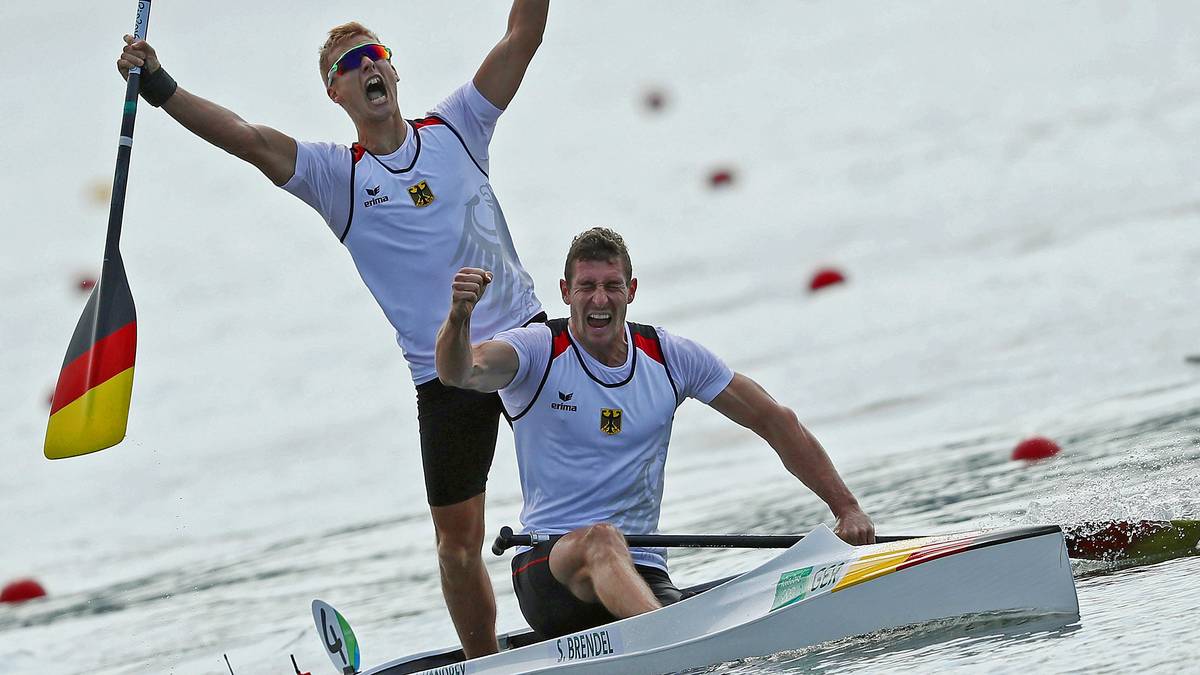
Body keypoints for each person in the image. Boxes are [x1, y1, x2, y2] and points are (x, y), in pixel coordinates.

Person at [116, 2, 551, 657]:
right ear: (335, 92)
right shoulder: (337, 176)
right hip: (444, 373)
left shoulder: (458, 125)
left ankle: (613, 603)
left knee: (577, 489)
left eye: (376, 54)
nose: (368, 65)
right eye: (350, 63)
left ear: (394, 71)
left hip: (527, 343)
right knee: (457, 546)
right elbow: (246, 138)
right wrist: (158, 85)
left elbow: (523, 36)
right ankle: (485, 664)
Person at [435, 227, 875, 638]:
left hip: (642, 568)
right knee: (602, 538)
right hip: (550, 572)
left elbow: (775, 420)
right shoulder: (537, 350)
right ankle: (668, 637)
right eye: (587, 286)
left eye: (612, 285)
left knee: (627, 561)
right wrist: (458, 318)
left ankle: (666, 633)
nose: (600, 299)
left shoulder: (669, 357)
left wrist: (847, 509)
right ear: (566, 292)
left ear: (631, 290)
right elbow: (459, 372)